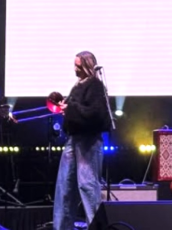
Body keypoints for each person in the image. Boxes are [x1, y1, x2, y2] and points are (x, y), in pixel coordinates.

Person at [53, 51, 112, 230]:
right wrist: (68, 109)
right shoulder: (77, 86)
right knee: (64, 188)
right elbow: (78, 110)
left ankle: (95, 227)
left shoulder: (95, 85)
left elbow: (96, 114)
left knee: (88, 187)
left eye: (78, 66)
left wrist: (71, 108)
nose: (75, 69)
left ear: (87, 66)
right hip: (73, 140)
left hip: (89, 142)